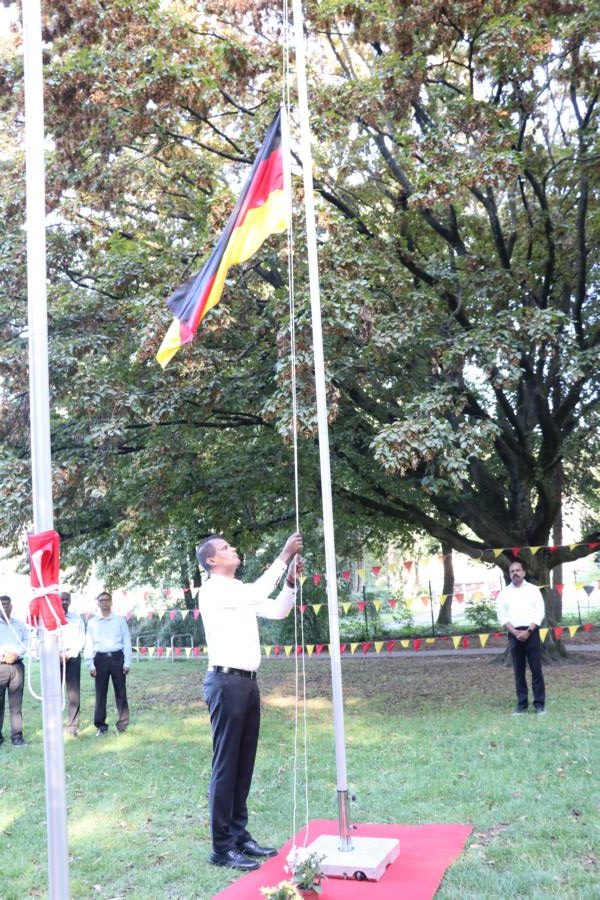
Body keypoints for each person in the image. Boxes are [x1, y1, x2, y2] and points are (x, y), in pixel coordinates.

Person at [197, 531, 303, 871]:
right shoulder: (214, 589)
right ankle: (221, 847)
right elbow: (259, 592)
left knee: (243, 765)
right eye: (225, 548)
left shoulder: (238, 590)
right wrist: (283, 555)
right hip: (225, 683)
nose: (233, 549)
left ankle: (239, 835)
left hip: (247, 683)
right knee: (226, 765)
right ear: (212, 560)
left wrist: (290, 583)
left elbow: (278, 611)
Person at [497, 560, 546, 715]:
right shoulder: (504, 593)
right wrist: (515, 632)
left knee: (536, 670)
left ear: (524, 572)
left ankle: (539, 705)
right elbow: (502, 616)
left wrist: (528, 631)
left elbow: (540, 612)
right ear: (509, 574)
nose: (515, 573)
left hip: (532, 633)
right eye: (512, 571)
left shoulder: (533, 590)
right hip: (514, 635)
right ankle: (522, 705)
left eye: (518, 570)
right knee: (519, 671)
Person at [84, 590, 132, 735]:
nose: (104, 602)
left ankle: (122, 725)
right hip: (100, 659)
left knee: (121, 692)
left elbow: (127, 641)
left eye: (107, 600)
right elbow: (89, 644)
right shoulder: (92, 622)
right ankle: (101, 726)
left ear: (111, 602)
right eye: (101, 600)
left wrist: (127, 662)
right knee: (100, 694)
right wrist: (90, 664)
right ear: (98, 603)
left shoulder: (120, 620)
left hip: (117, 658)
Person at [0, 595, 29, 747]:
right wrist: (4, 655)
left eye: (7, 604)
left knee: (16, 704)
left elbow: (26, 642)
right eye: (2, 604)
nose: (4, 607)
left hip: (17, 666)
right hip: (1, 666)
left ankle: (17, 737)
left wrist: (16, 654)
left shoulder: (19, 625)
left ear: (11, 606)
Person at [59, 591, 85, 736]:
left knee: (73, 693)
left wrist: (69, 653)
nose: (64, 602)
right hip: (54, 658)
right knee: (54, 693)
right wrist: (57, 653)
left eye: (66, 599)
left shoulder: (76, 619)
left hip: (73, 658)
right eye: (61, 599)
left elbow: (81, 639)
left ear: (70, 601)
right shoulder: (51, 618)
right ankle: (54, 724)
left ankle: (72, 727)